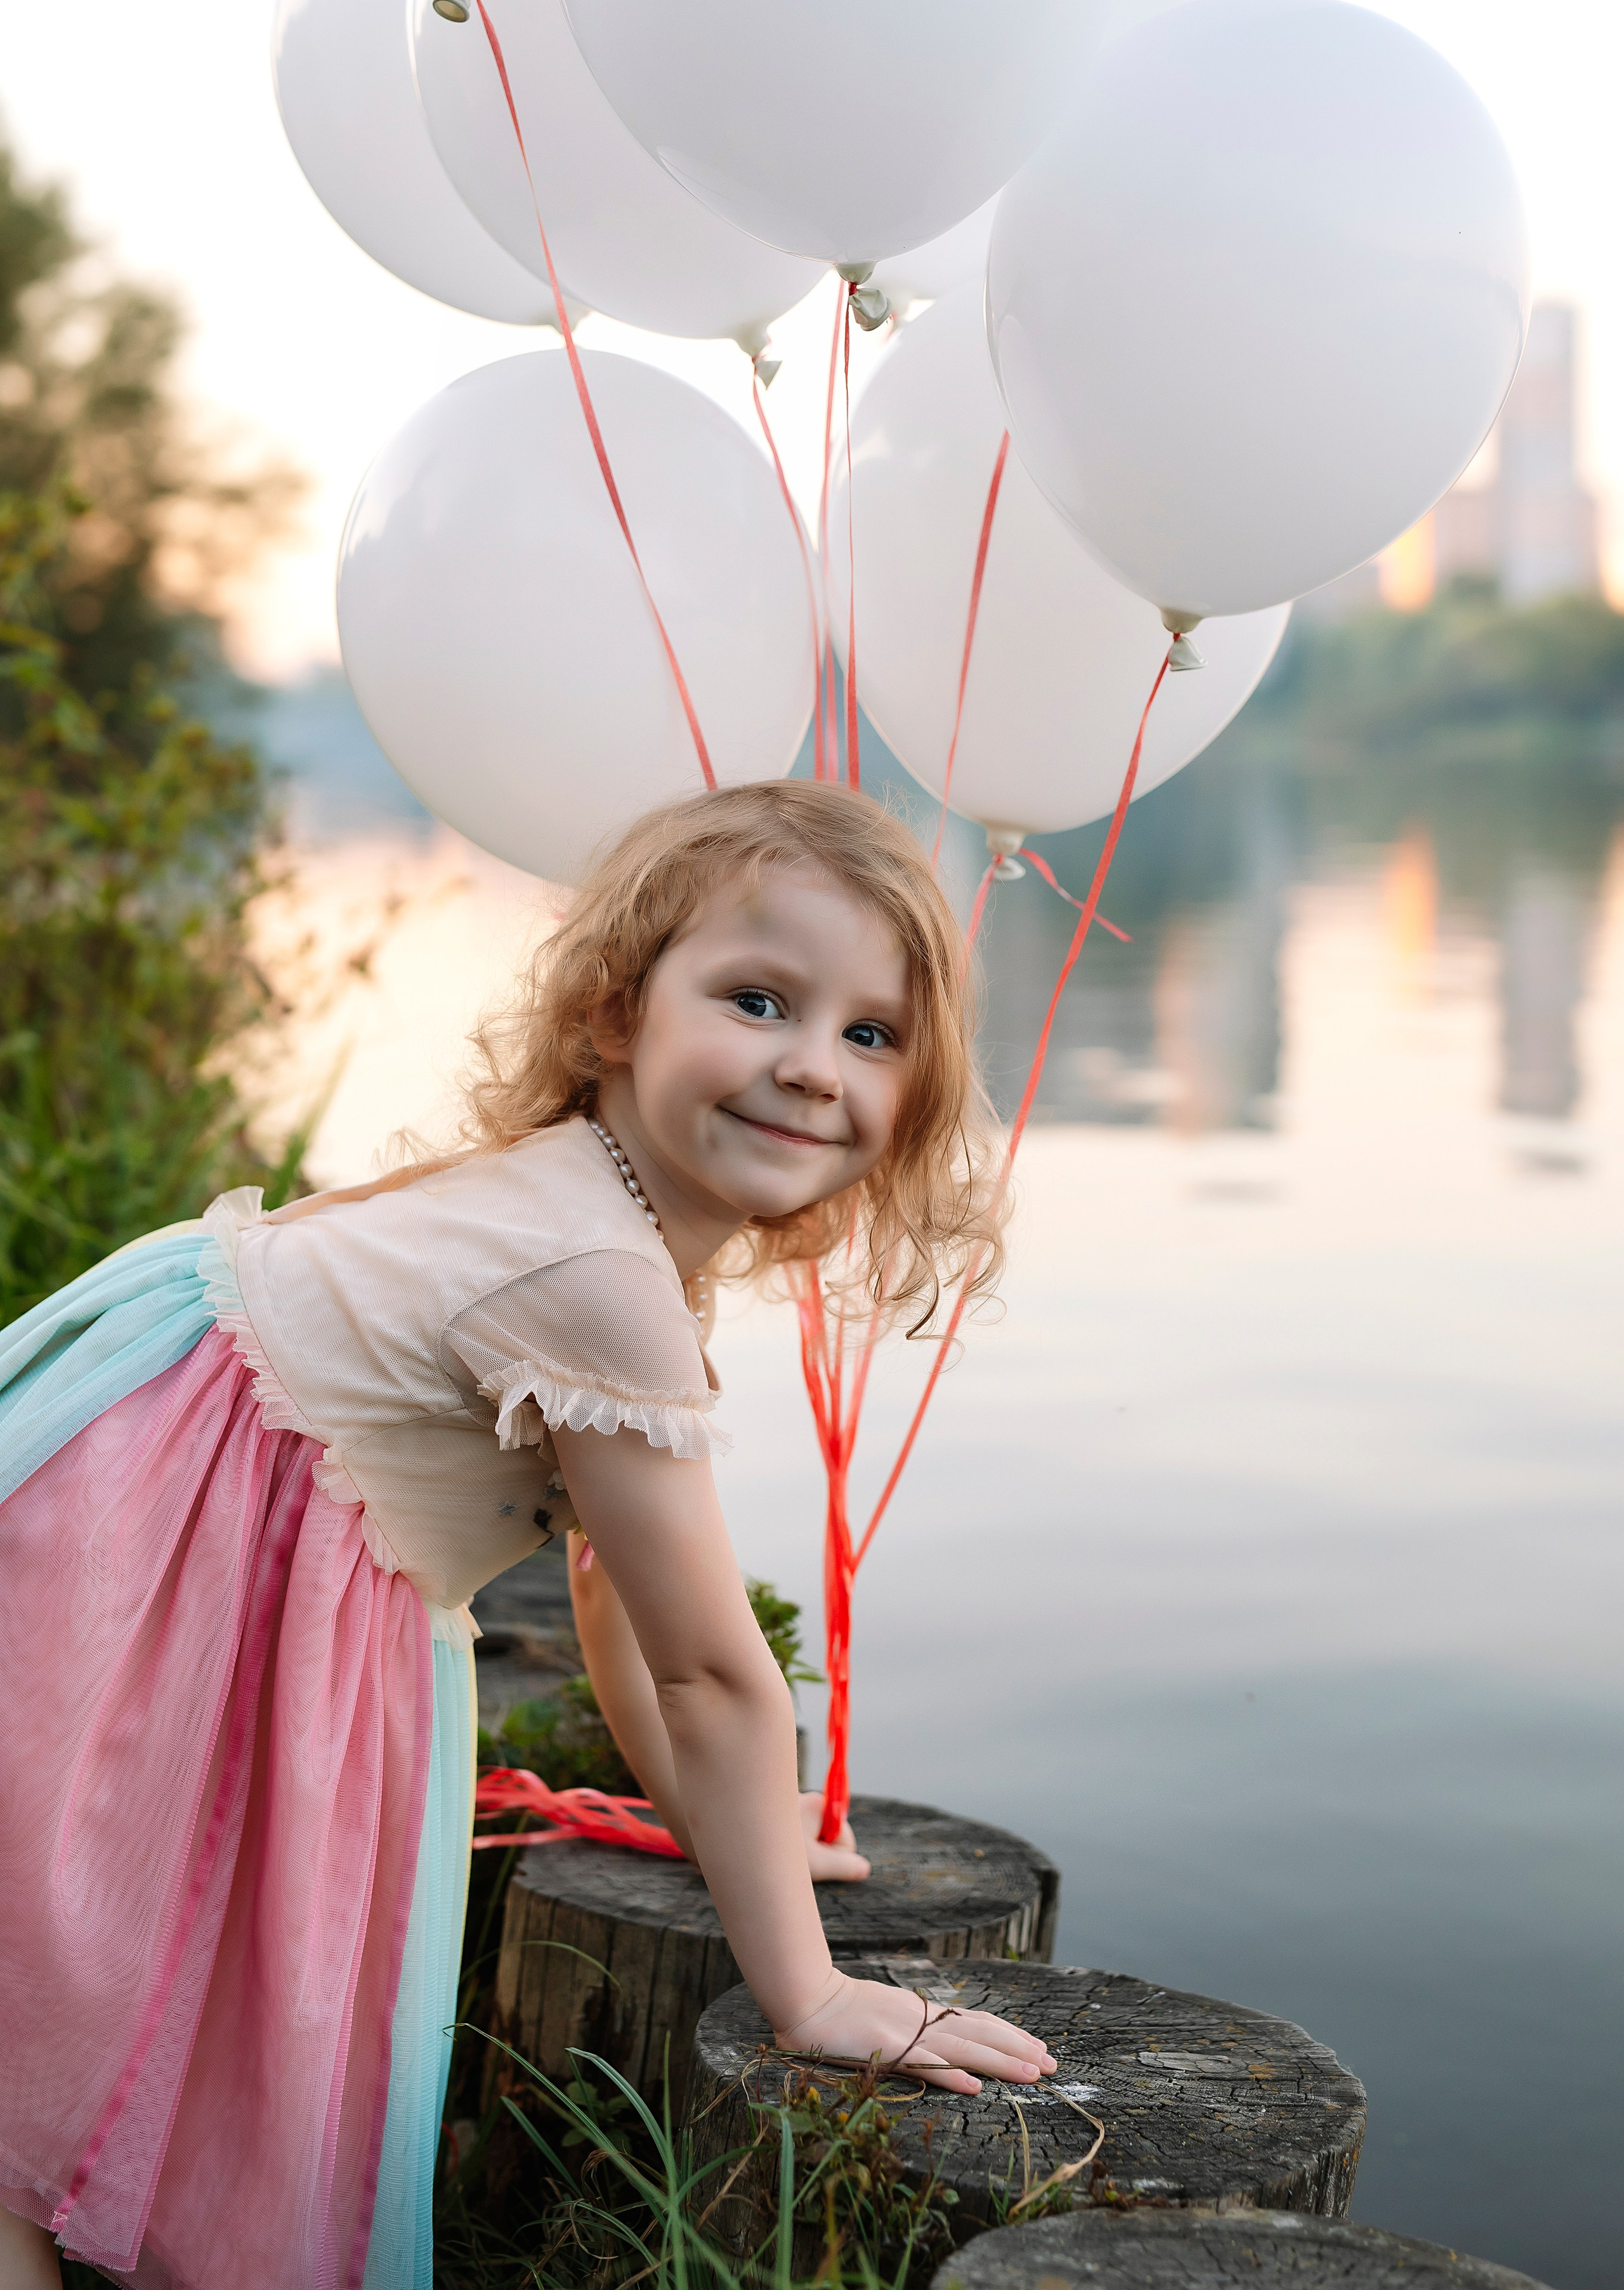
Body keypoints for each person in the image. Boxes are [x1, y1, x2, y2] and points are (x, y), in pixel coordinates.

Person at [0, 780, 1052, 2290]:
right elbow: (708, 1674)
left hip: (160, 1541)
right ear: (618, 1014)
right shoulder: (594, 1272)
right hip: (148, 1577)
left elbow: (608, 1604)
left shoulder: (594, 1218)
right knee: (37, 2031)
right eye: (757, 999)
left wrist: (716, 1832)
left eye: (869, 1033)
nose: (811, 1068)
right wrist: (806, 1991)